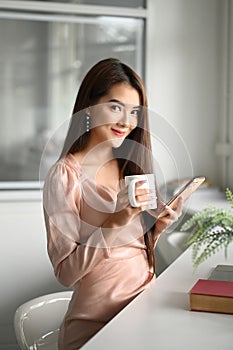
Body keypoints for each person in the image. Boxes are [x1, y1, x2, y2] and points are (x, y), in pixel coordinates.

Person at [43, 58, 183, 349]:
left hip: (144, 311)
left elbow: (126, 255)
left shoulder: (129, 168)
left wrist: (155, 228)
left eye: (134, 112)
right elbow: (66, 272)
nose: (126, 122)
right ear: (89, 107)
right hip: (97, 327)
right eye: (115, 107)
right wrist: (113, 223)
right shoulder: (65, 176)